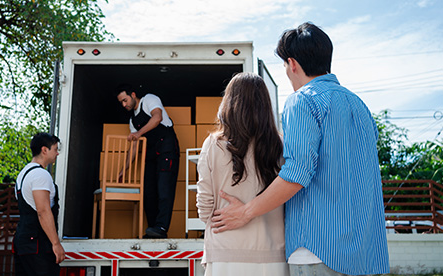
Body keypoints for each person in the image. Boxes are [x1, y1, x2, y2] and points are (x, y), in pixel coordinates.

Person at [210, 22, 390, 275]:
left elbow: (297, 173)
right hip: (365, 252)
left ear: (292, 64)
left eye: (284, 65)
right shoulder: (359, 105)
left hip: (318, 248)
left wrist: (246, 212)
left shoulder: (302, 100)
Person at [197, 72, 289, 276]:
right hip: (273, 256)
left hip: (225, 254)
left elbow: (205, 209)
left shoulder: (213, 145)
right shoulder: (281, 145)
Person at [116, 84, 180, 238]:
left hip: (167, 149)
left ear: (133, 94)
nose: (124, 105)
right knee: (149, 193)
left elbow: (157, 118)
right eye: (121, 103)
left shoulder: (149, 99)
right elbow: (134, 147)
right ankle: (153, 229)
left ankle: (162, 228)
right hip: (151, 155)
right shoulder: (133, 120)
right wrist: (123, 169)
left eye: (125, 100)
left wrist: (139, 133)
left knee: (164, 189)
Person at [13, 132, 65, 276]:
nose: (57, 153)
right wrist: (56, 244)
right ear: (44, 150)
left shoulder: (23, 174)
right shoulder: (40, 175)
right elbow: (43, 211)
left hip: (22, 242)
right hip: (37, 245)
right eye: (55, 149)